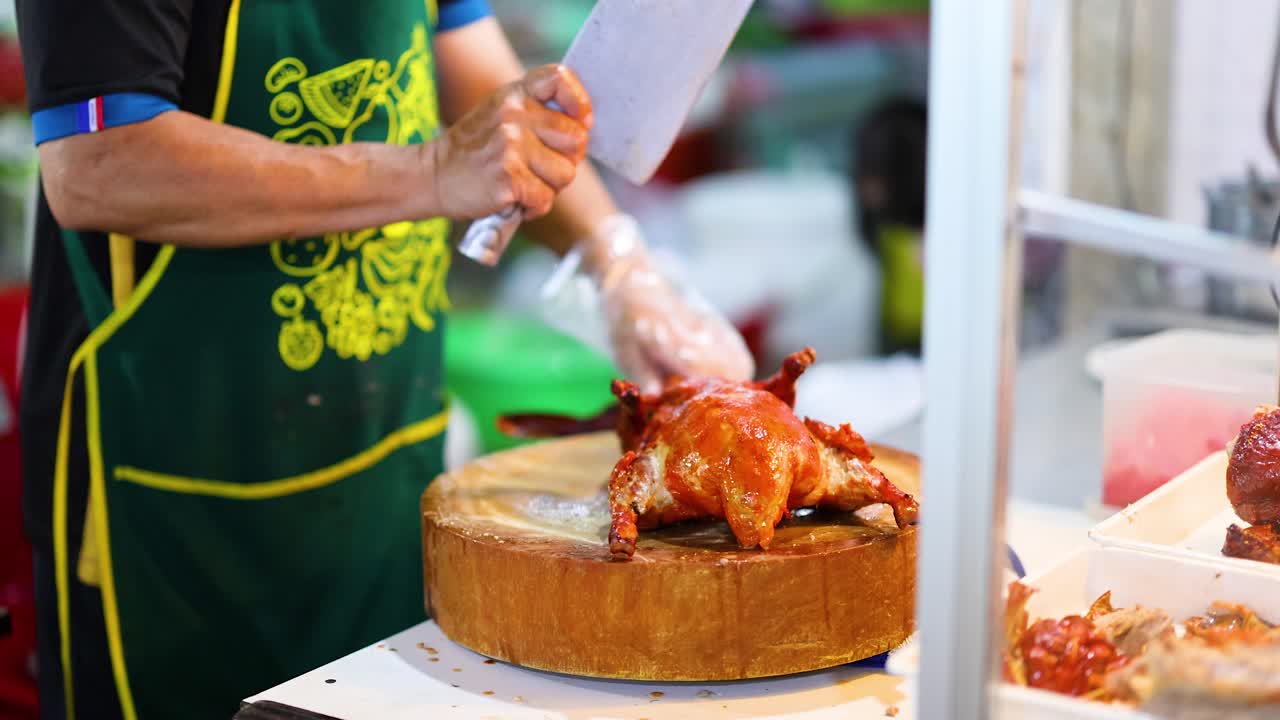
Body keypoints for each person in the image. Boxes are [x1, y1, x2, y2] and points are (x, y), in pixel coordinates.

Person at [14, 1, 754, 718]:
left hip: (386, 454)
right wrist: (434, 171)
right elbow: (99, 165)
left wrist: (620, 264)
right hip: (179, 493)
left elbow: (478, 82)